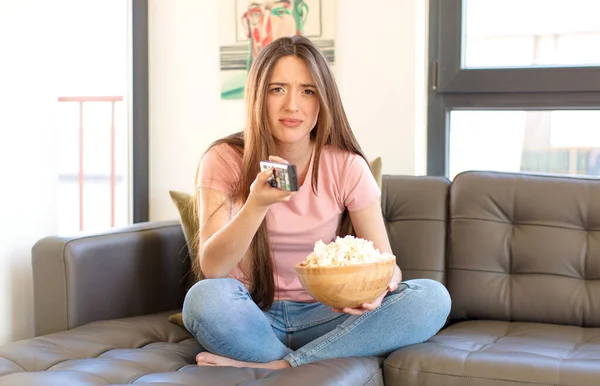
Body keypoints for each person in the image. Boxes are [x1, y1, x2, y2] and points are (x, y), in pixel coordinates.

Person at [182, 35, 451, 370]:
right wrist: (256, 205)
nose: (292, 105)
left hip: (328, 315)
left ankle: (281, 368)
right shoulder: (223, 158)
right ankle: (309, 362)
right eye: (277, 89)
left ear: (323, 100)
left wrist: (381, 288)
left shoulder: (347, 166)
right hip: (252, 314)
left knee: (431, 298)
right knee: (203, 299)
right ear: (257, 96)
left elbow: (388, 263)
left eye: (307, 91)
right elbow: (213, 268)